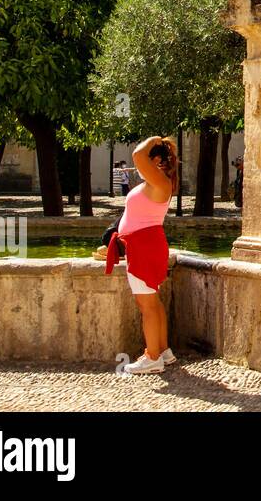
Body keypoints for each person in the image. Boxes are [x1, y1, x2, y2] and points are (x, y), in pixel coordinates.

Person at [107, 136, 179, 375]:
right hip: (145, 244)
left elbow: (137, 155)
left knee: (146, 304)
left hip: (144, 246)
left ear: (156, 160)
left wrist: (153, 140)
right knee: (153, 301)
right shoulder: (159, 181)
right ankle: (163, 351)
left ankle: (152, 357)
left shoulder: (160, 181)